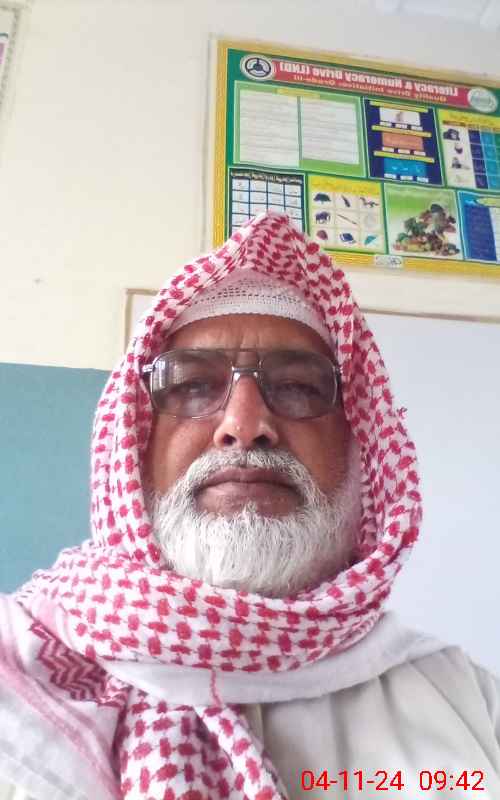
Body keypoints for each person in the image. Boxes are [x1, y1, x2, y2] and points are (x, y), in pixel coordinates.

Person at [0, 211, 499, 800]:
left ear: (358, 442)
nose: (244, 424)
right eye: (193, 385)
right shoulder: (16, 665)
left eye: (298, 387)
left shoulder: (468, 702)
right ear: (134, 443)